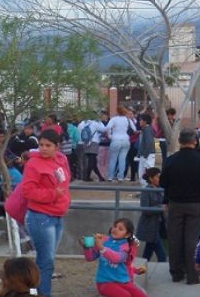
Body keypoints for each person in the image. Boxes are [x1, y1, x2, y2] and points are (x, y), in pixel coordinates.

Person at [160, 128, 200, 285]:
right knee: (192, 240)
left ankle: (176, 273)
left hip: (175, 204)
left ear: (179, 141)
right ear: (195, 141)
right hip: (195, 204)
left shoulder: (171, 160)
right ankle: (193, 275)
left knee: (174, 239)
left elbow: (163, 183)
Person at [21, 129, 71, 297]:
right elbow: (28, 191)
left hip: (57, 215)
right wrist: (52, 194)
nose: (43, 148)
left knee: (47, 260)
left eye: (48, 145)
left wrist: (62, 201)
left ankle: (36, 291)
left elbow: (64, 185)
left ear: (57, 146)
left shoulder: (61, 161)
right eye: (41, 145)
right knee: (46, 261)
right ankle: (43, 294)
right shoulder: (33, 164)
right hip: (40, 216)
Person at [81, 218, 147, 297]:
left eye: (120, 229)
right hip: (105, 282)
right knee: (125, 295)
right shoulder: (104, 241)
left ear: (127, 235)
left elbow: (117, 258)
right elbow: (90, 258)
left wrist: (102, 248)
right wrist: (87, 248)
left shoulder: (126, 246)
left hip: (124, 281)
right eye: (115, 226)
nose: (115, 229)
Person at [136, 167, 166, 263]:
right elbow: (145, 209)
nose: (160, 179)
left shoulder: (161, 189)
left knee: (148, 253)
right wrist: (160, 207)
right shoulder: (146, 190)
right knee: (161, 255)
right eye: (157, 177)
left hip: (158, 226)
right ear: (151, 178)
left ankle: (141, 269)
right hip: (150, 226)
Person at [106, 106, 133, 182]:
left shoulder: (114, 119)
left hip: (115, 139)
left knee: (113, 159)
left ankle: (111, 176)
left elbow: (107, 127)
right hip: (125, 140)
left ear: (117, 111)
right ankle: (121, 177)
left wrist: (109, 135)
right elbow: (134, 129)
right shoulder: (127, 119)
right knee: (122, 159)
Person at [78, 115, 107, 182]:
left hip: (85, 142)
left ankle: (100, 177)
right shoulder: (96, 122)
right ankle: (86, 177)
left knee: (93, 161)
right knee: (92, 160)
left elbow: (79, 131)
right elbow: (104, 129)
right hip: (94, 142)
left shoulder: (82, 123)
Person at [136, 114, 156, 186]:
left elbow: (149, 143)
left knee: (146, 174)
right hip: (145, 155)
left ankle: (147, 190)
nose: (139, 121)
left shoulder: (147, 130)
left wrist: (145, 155)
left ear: (145, 121)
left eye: (141, 120)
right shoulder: (146, 129)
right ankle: (145, 190)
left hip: (147, 155)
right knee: (143, 174)